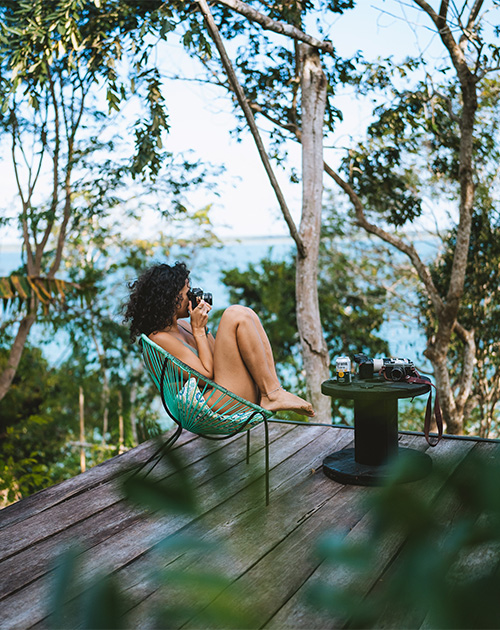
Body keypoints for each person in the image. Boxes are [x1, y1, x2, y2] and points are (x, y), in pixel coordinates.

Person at [124, 262, 315, 417]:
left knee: (245, 314)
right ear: (170, 298)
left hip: (225, 393)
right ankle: (273, 395)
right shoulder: (159, 339)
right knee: (234, 314)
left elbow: (217, 361)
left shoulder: (183, 326)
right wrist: (199, 330)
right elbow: (206, 374)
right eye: (187, 292)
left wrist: (203, 329)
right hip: (210, 406)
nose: (192, 295)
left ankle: (273, 392)